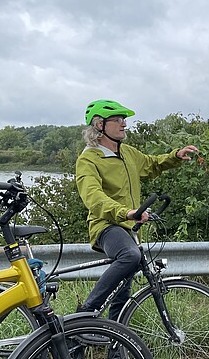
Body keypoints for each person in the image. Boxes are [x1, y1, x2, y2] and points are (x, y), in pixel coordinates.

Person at [75, 99, 199, 324]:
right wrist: (125, 212)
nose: (124, 124)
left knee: (122, 296)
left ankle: (116, 354)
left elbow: (152, 164)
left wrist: (175, 156)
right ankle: (84, 313)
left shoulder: (128, 153)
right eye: (118, 120)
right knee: (131, 256)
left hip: (130, 228)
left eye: (124, 120)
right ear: (99, 125)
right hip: (106, 226)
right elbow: (93, 198)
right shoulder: (88, 159)